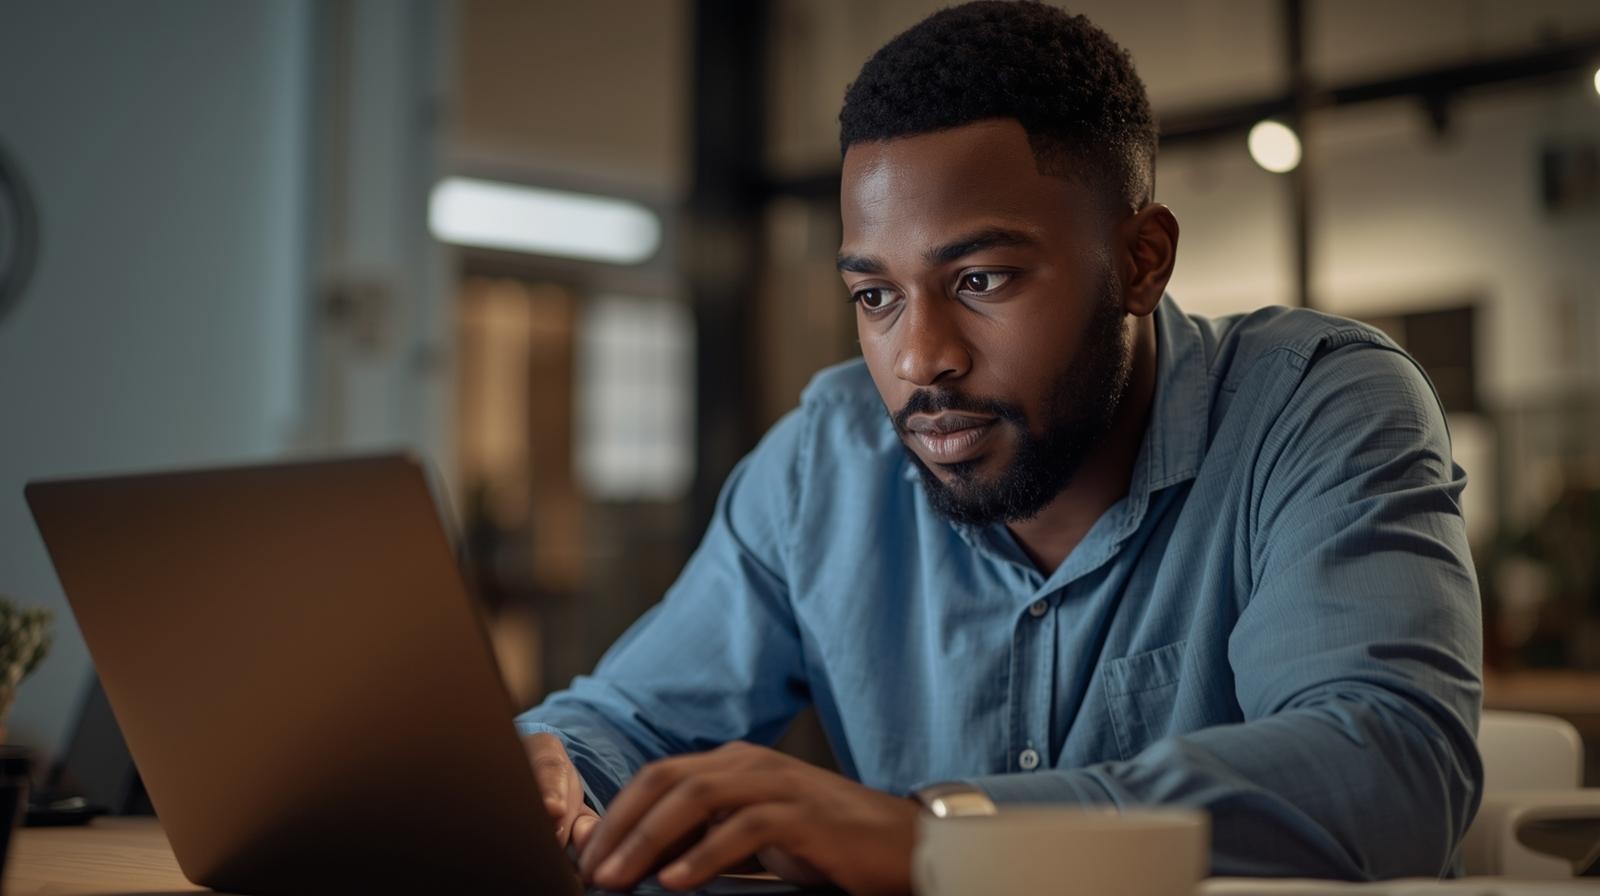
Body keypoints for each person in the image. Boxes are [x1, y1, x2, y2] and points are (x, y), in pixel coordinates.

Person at [517, 3, 1484, 893]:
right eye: (875, 296)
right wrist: (541, 766)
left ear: (1142, 260)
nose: (919, 359)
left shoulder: (1317, 406)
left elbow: (1388, 769)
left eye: (981, 279)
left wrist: (947, 835)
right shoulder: (827, 461)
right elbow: (625, 725)